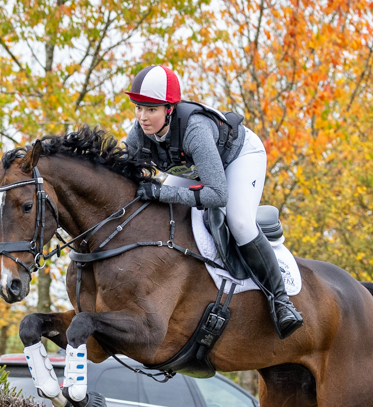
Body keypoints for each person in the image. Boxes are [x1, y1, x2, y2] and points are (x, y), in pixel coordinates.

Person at [123, 64, 303, 339]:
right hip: (193, 168)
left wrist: (160, 192)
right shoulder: (138, 134)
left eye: (151, 110)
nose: (142, 117)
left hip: (238, 157)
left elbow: (217, 195)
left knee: (239, 222)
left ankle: (281, 302)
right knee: (160, 211)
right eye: (138, 108)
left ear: (169, 109)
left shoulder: (194, 130)